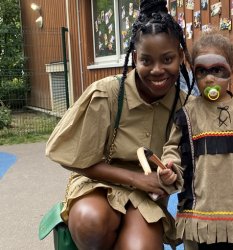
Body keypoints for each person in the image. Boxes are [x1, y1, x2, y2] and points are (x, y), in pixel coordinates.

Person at [45, 0, 195, 249]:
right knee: (90, 222)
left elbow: (186, 164)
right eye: (146, 61)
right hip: (98, 185)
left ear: (180, 56)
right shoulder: (107, 94)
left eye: (167, 59)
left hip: (147, 196)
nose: (158, 70)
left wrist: (170, 175)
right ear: (135, 58)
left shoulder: (185, 106)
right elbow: (68, 156)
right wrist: (136, 179)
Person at [158, 30, 233, 250]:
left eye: (217, 70)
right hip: (197, 213)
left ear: (232, 70)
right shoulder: (187, 115)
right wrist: (169, 167)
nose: (209, 78)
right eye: (201, 71)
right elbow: (173, 149)